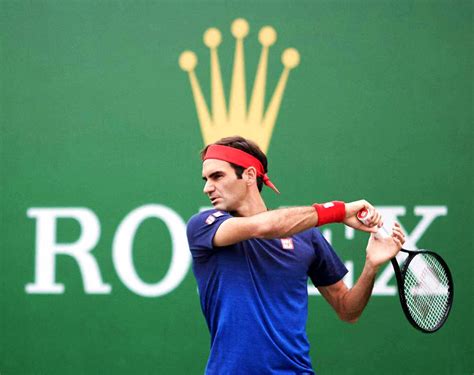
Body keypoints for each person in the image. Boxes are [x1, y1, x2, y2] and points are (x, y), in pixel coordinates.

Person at [186, 136, 405, 374]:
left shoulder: (306, 236)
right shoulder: (204, 227)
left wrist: (371, 266)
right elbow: (264, 227)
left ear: (249, 176)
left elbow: (348, 310)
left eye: (217, 176)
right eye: (206, 179)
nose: (207, 187)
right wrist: (338, 211)